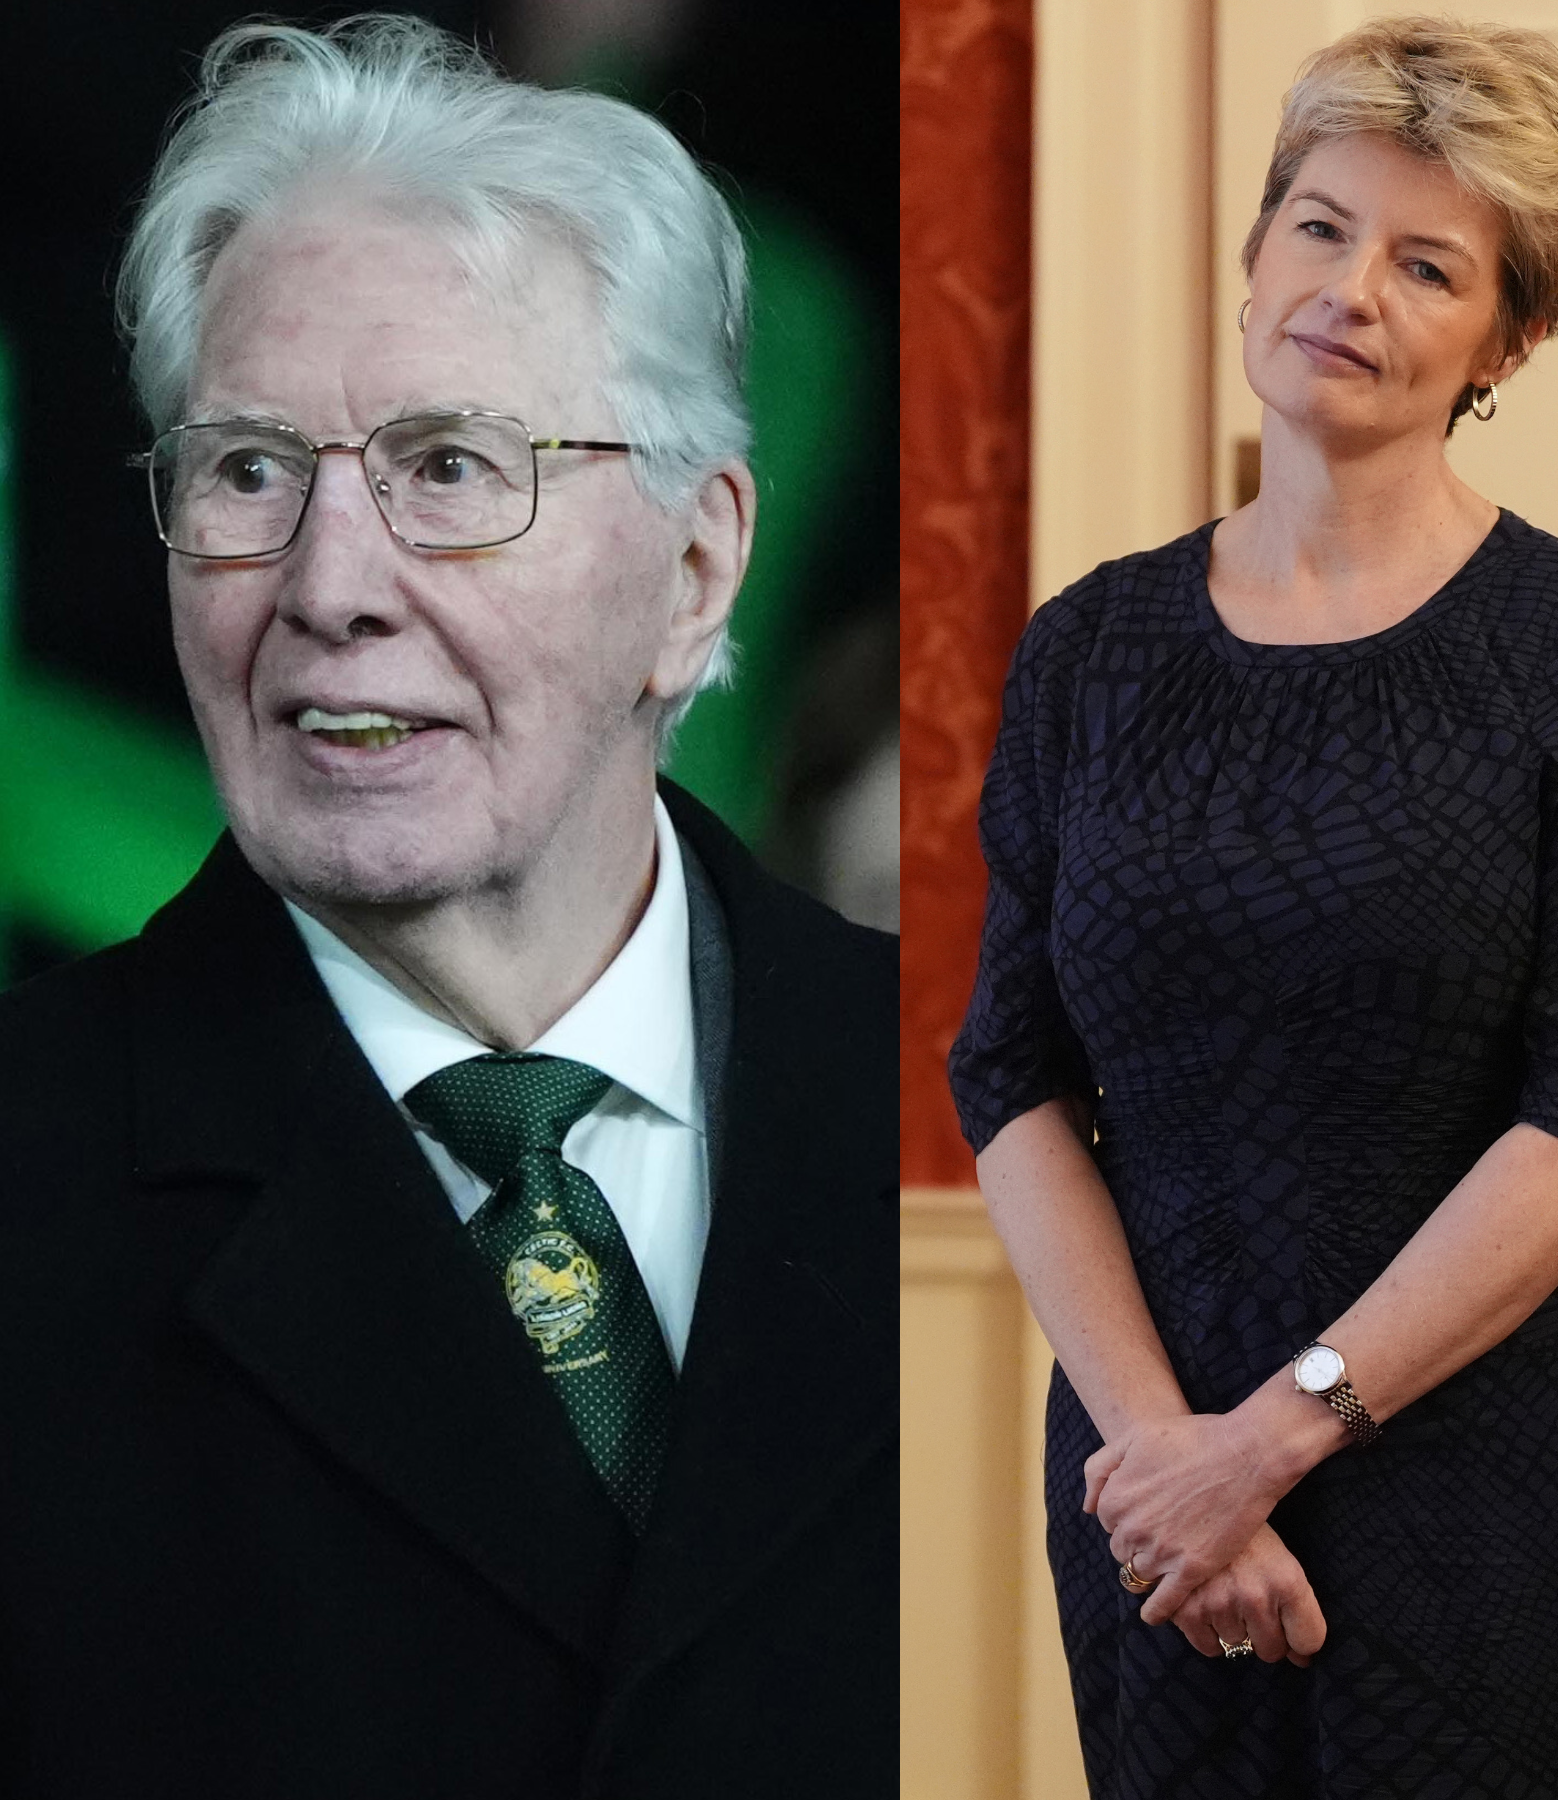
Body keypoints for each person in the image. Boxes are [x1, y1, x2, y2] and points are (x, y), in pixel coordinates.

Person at [0, 18, 893, 1794]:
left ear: (698, 569)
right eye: (248, 472)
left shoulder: (1023, 1130)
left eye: (453, 472)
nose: (331, 587)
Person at [951, 16, 1558, 1797]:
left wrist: (1271, 1444)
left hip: (1481, 1476)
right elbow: (1009, 1070)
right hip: (1154, 1479)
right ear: (1256, 246)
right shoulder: (1089, 649)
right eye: (1319, 225)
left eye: (1427, 263)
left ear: (1509, 337)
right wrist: (1164, 1459)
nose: (1348, 287)